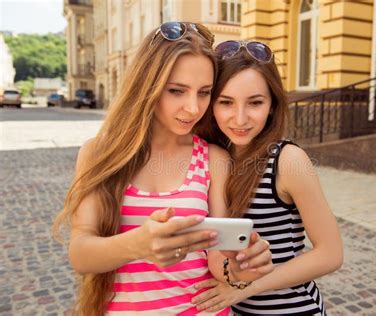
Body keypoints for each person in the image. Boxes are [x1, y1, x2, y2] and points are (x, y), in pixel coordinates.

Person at [53, 24, 272, 316]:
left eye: (204, 92)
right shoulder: (98, 152)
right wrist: (138, 244)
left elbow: (217, 255)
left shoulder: (213, 158)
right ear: (147, 85)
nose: (193, 108)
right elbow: (80, 254)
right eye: (177, 91)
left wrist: (240, 269)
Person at [193, 40, 344, 315]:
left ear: (272, 104)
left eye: (255, 102)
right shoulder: (212, 156)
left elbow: (330, 254)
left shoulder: (287, 160)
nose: (240, 118)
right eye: (226, 102)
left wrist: (248, 287)